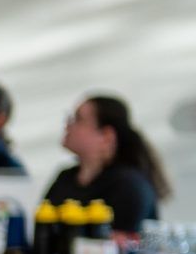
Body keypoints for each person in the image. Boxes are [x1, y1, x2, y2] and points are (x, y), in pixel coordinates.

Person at [45, 92, 171, 234]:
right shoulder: (65, 177)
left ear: (106, 136)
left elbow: (121, 245)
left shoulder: (129, 184)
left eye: (78, 119)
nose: (68, 126)